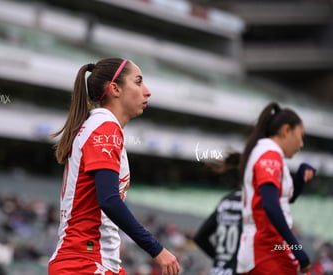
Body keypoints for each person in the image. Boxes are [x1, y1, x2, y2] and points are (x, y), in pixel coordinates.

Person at [48, 58, 180, 275]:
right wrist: (157, 250)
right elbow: (109, 200)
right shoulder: (105, 127)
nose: (147, 92)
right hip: (84, 262)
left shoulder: (97, 124)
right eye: (138, 82)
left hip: (93, 261)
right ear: (115, 89)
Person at [236, 102, 316, 275]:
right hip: (267, 250)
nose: (301, 144)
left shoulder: (266, 154)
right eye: (300, 136)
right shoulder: (270, 155)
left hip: (264, 249)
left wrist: (301, 176)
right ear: (286, 130)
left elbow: (284, 198)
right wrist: (296, 247)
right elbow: (271, 205)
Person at [193, 153, 243, 275]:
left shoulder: (226, 201)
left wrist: (219, 258)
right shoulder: (255, 203)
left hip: (218, 271)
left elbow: (200, 237)